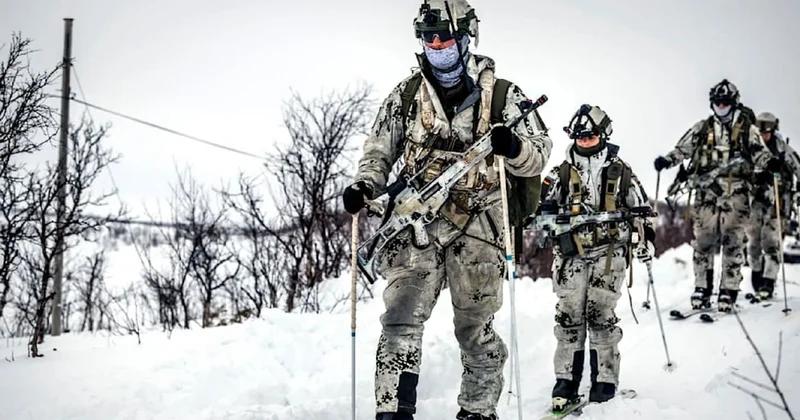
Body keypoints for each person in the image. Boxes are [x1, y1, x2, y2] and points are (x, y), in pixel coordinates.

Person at [340, 1, 553, 419]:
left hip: (478, 227)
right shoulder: (407, 94)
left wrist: (512, 148)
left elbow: (538, 154)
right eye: (429, 38)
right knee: (400, 318)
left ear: (465, 37)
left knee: (475, 328)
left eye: (444, 38)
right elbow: (379, 150)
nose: (436, 45)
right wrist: (364, 185)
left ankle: (477, 410)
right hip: (416, 224)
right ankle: (393, 411)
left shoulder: (505, 96)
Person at [536, 104, 654, 410]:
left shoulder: (621, 171)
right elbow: (542, 210)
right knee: (569, 316)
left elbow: (642, 207)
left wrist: (646, 238)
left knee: (601, 316)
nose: (584, 141)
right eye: (579, 137)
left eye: (590, 136)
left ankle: (604, 379)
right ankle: (566, 379)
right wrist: (553, 229)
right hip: (571, 254)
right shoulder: (560, 172)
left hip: (609, 253)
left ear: (603, 135)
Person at [653, 79, 778, 312]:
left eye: (725, 102)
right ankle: (702, 288)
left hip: (737, 194)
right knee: (703, 242)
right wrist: (667, 160)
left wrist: (772, 164)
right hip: (706, 193)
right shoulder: (702, 128)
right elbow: (683, 149)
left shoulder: (748, 130)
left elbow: (759, 153)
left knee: (733, 242)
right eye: (717, 102)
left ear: (734, 103)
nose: (721, 106)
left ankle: (728, 291)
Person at [746, 111, 800, 300]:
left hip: (777, 201)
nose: (763, 135)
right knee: (753, 243)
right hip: (755, 201)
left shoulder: (783, 149)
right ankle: (756, 275)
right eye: (760, 131)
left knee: (770, 242)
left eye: (767, 132)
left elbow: (797, 167)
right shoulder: (750, 148)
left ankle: (768, 282)